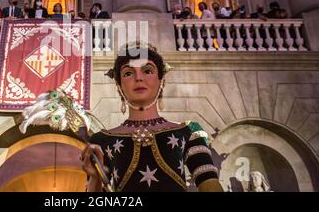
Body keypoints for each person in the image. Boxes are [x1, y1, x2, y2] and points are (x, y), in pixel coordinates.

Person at [82, 42, 223, 192]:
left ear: (161, 81)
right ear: (119, 85)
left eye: (147, 71)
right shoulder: (101, 141)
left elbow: (210, 184)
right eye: (128, 73)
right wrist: (96, 179)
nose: (138, 78)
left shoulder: (189, 132)